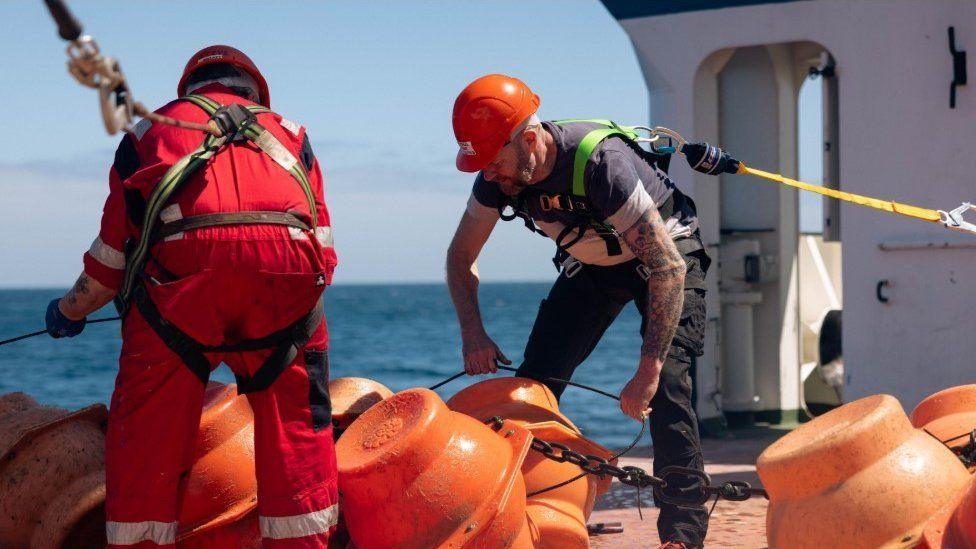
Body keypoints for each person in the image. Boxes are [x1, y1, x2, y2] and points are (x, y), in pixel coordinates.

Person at [45, 45, 339, 547]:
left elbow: (110, 261)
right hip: (285, 300)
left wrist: (68, 311)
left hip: (178, 306)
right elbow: (324, 253)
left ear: (189, 89)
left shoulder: (147, 133)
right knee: (299, 436)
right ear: (254, 91)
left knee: (147, 444)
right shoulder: (293, 134)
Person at [446, 74, 711, 548]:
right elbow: (460, 256)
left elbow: (666, 267)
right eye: (481, 164)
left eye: (494, 162)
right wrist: (474, 334)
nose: (489, 175)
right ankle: (515, 511)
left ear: (529, 139)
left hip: (667, 254)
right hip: (593, 264)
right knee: (534, 386)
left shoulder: (600, 164)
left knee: (668, 387)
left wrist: (646, 369)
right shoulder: (497, 174)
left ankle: (682, 536)